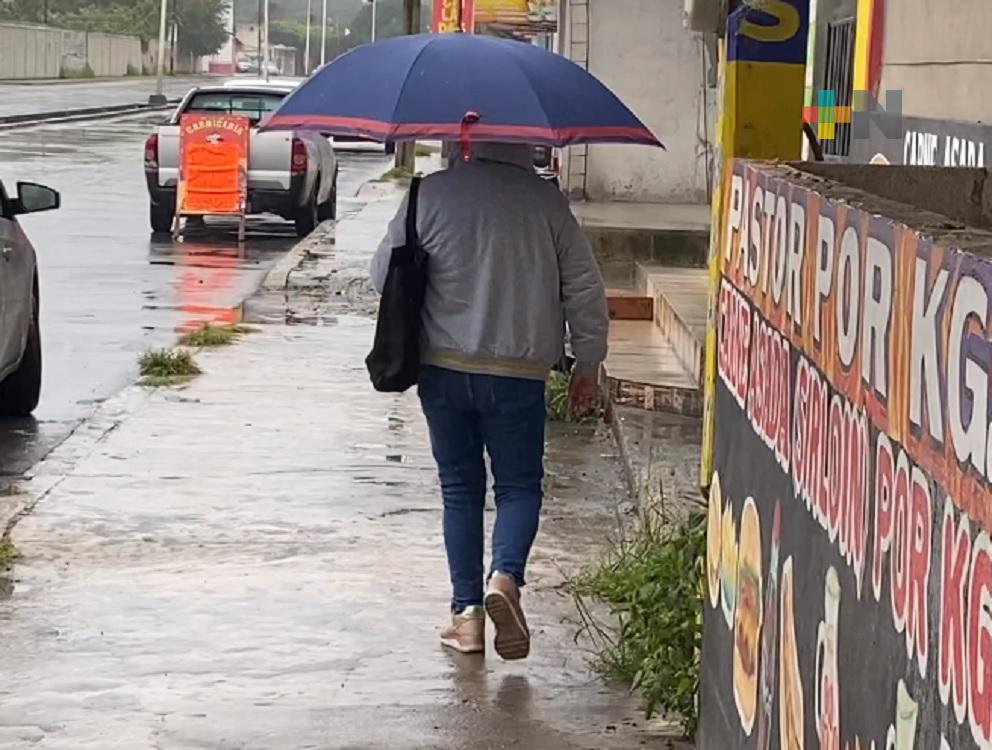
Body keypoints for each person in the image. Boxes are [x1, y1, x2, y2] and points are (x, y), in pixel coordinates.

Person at [370, 142, 608, 661]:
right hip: (519, 371)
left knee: (459, 489)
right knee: (519, 486)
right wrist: (587, 363)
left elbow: (380, 275)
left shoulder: (427, 194)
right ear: (524, 143)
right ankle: (505, 578)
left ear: (463, 142)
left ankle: (467, 617)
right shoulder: (546, 203)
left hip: (443, 366)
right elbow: (584, 288)